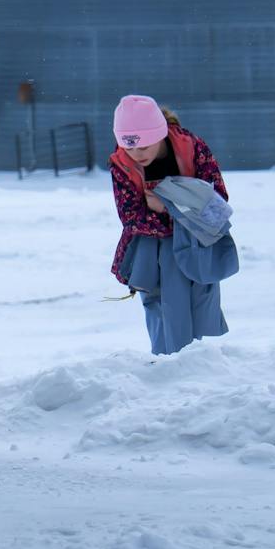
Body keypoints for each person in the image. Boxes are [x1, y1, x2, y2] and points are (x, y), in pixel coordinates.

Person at [108, 95, 232, 355]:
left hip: (197, 240)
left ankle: (207, 359)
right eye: (128, 147)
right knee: (162, 303)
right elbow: (131, 216)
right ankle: (167, 363)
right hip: (151, 248)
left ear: (159, 134)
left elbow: (218, 201)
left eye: (143, 147)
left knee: (202, 295)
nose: (136, 155)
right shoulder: (122, 163)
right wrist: (170, 214)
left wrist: (169, 206)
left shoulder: (191, 148)